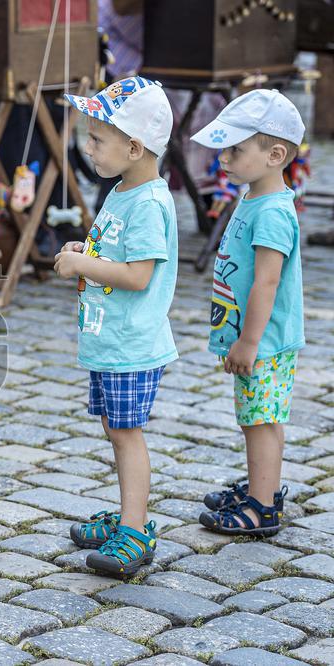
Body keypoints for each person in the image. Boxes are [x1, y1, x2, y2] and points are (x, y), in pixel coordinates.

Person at [54, 77, 178, 576]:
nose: (88, 148)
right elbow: (116, 255)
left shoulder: (148, 202)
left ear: (134, 146)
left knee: (126, 434)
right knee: (114, 427)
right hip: (110, 342)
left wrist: (82, 267)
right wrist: (87, 252)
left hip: (132, 345)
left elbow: (138, 274)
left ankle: (136, 529)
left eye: (97, 140)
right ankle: (130, 512)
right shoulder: (123, 192)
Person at [190, 90, 306, 536]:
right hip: (260, 340)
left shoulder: (273, 212)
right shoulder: (254, 196)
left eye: (235, 150)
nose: (223, 158)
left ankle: (260, 507)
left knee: (257, 421)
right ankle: (266, 486)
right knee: (264, 417)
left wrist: (249, 342)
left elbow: (267, 282)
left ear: (275, 154)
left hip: (265, 341)